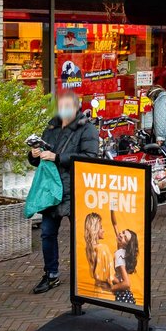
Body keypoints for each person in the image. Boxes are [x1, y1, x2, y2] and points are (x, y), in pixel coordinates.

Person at [30, 86, 100, 294]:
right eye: (61, 106)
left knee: (83, 235)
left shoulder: (87, 130)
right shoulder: (50, 128)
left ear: (77, 107)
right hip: (52, 190)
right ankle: (51, 274)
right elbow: (42, 160)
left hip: (76, 189)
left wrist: (58, 157)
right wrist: (35, 155)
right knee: (47, 233)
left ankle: (89, 274)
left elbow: (91, 158)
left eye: (68, 106)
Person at [109, 211, 140, 305]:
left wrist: (109, 288)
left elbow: (126, 283)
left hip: (121, 295)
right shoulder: (122, 249)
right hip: (124, 295)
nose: (120, 235)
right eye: (122, 232)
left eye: (124, 238)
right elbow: (114, 224)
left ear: (126, 245)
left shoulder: (119, 255)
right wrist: (112, 209)